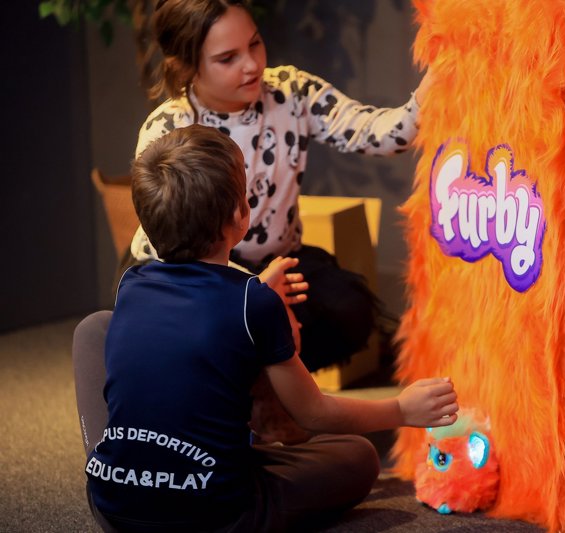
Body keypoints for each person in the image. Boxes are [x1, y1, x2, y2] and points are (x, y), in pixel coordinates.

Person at [85, 124, 458, 532]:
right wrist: (400, 409)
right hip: (218, 517)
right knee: (358, 456)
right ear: (239, 216)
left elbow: (202, 311)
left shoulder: (131, 285)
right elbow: (313, 414)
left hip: (113, 506)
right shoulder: (254, 302)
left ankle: (114, 462)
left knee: (93, 329)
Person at [126, 0, 431, 373]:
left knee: (349, 310)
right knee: (221, 328)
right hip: (195, 272)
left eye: (255, 44)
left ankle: (272, 390)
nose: (252, 64)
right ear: (187, 66)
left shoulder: (291, 92)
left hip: (276, 261)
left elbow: (378, 133)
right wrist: (253, 290)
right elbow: (167, 246)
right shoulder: (168, 128)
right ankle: (240, 390)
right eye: (228, 58)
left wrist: (435, 86)